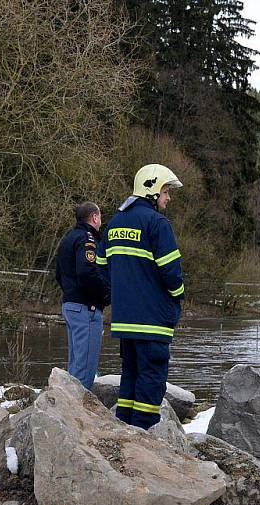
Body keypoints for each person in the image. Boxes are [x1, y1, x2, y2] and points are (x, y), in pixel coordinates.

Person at [97, 164, 184, 429]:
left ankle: (123, 430)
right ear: (153, 190)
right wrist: (177, 298)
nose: (168, 198)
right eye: (166, 192)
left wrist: (124, 290)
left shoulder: (114, 223)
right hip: (153, 319)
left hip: (124, 319)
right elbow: (172, 274)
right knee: (151, 379)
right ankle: (143, 437)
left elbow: (101, 266)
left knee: (131, 377)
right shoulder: (157, 224)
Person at [55, 201, 110, 390]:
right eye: (100, 217)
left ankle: (68, 407)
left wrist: (71, 292)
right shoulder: (87, 240)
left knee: (76, 363)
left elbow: (58, 273)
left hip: (70, 305)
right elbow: (87, 272)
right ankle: (76, 412)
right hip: (87, 307)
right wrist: (106, 295)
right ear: (94, 217)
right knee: (85, 367)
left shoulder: (68, 238)